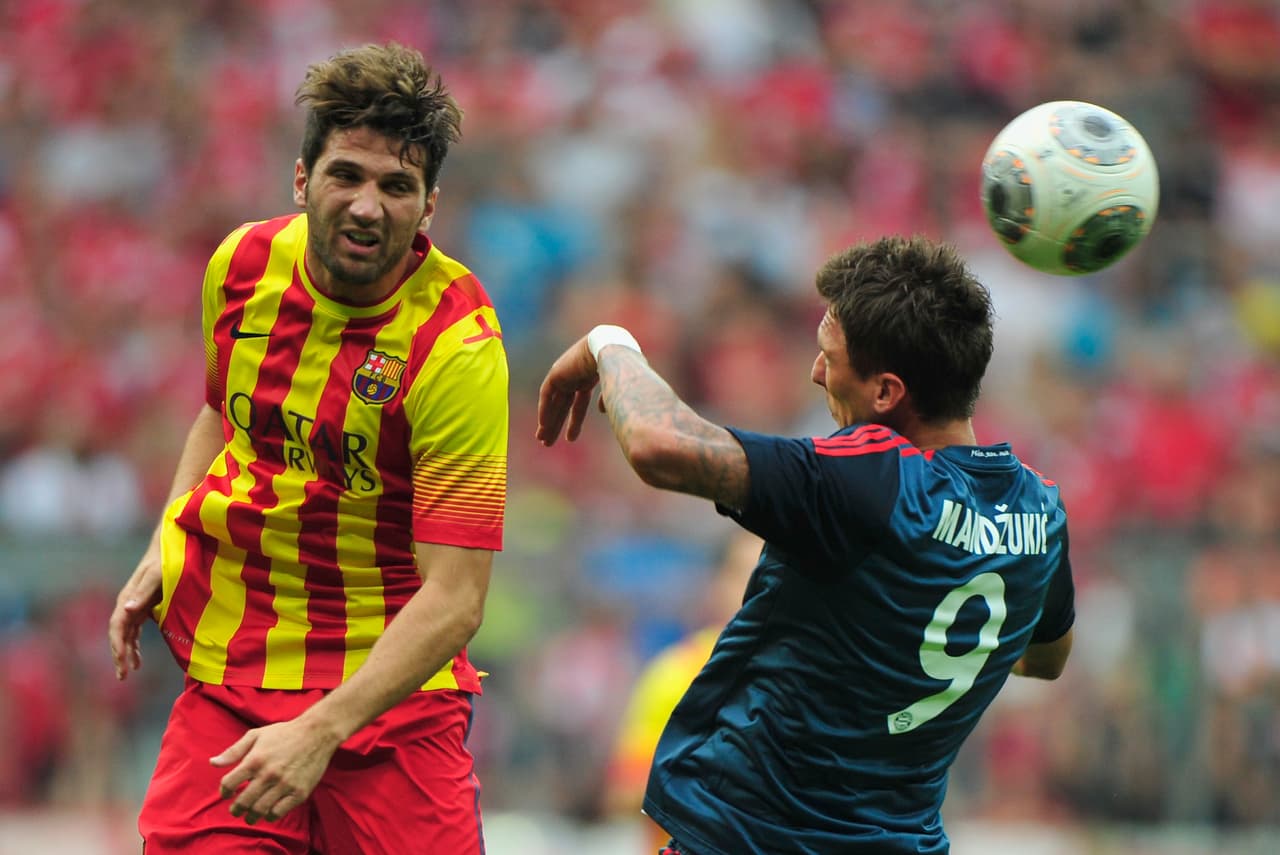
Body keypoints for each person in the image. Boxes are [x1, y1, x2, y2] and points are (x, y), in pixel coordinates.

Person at [537, 235, 1075, 855]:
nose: (816, 371)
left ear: (886, 394)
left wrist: (613, 343)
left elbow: (661, 445)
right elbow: (1044, 659)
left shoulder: (874, 478)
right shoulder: (1039, 510)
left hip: (752, 840)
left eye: (830, 355)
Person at [107, 42, 508, 853]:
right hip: (237, 677)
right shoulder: (243, 265)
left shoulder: (455, 347)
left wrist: (318, 729)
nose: (368, 206)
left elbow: (457, 599)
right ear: (302, 180)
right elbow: (224, 415)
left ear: (428, 207)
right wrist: (167, 538)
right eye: (346, 175)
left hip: (392, 703)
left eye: (397, 186)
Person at [603, 528, 764, 852]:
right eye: (742, 573)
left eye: (770, 572)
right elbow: (622, 796)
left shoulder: (816, 675)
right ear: (718, 583)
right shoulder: (676, 673)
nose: (758, 587)